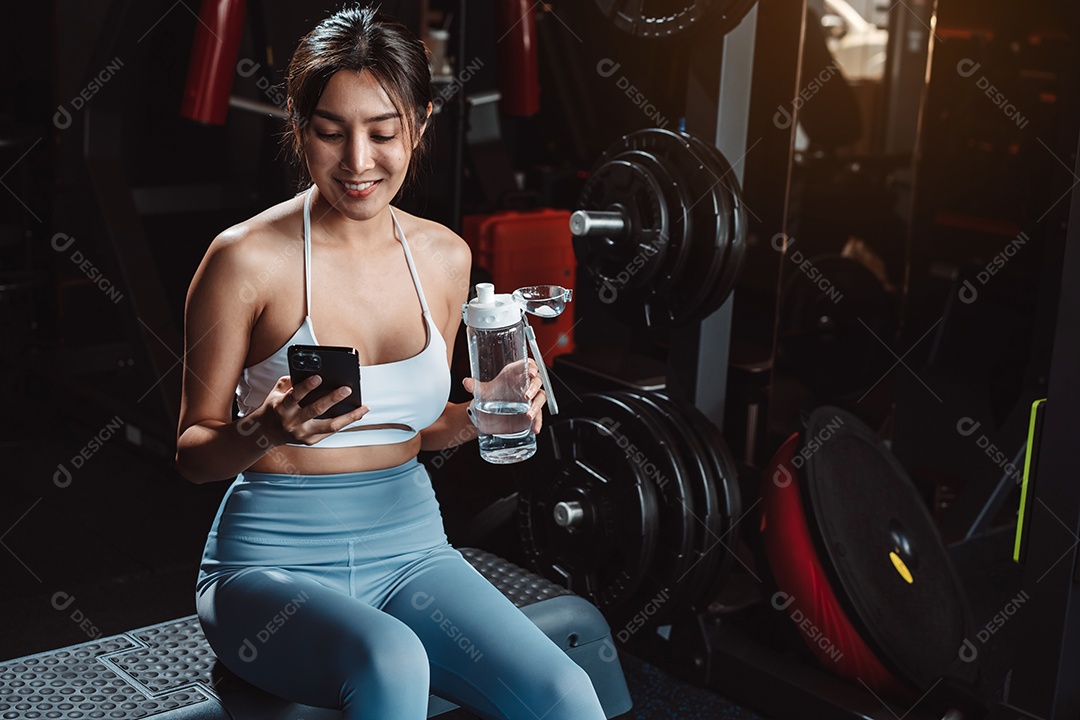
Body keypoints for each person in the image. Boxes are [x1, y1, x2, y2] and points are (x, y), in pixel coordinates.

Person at [175, 6, 608, 720]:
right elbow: (193, 453)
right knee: (392, 660)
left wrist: (483, 414)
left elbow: (419, 428)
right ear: (298, 125)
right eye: (330, 132)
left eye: (382, 133)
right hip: (270, 564)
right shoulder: (244, 260)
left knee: (566, 693)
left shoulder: (444, 258)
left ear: (421, 125)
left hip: (412, 553)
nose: (357, 162)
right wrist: (265, 430)